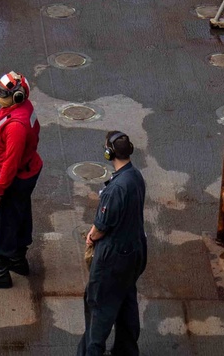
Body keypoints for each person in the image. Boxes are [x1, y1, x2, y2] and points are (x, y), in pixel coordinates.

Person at [78, 130, 147, 356]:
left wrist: (91, 235)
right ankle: (126, 351)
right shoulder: (136, 177)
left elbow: (102, 225)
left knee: (98, 308)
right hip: (134, 253)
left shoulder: (116, 188)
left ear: (109, 153)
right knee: (126, 303)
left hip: (113, 258)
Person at [0, 71, 42, 288]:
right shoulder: (23, 109)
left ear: (18, 96)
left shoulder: (15, 126)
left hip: (11, 178)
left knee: (1, 222)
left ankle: (1, 272)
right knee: (20, 214)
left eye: (5, 92)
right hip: (26, 173)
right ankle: (18, 259)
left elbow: (11, 163)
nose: (0, 95)